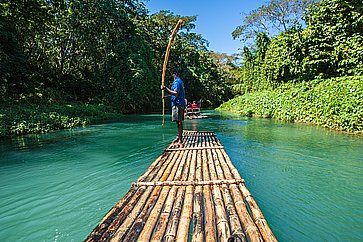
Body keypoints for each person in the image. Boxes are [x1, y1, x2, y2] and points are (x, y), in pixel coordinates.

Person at [161, 71, 186, 146]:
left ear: (175, 74)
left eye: (173, 74)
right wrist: (166, 96)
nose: (172, 76)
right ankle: (179, 137)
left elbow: (175, 93)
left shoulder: (177, 82)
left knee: (179, 122)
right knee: (178, 122)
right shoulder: (178, 81)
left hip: (178, 104)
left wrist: (165, 88)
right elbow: (174, 94)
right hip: (178, 103)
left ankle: (181, 140)